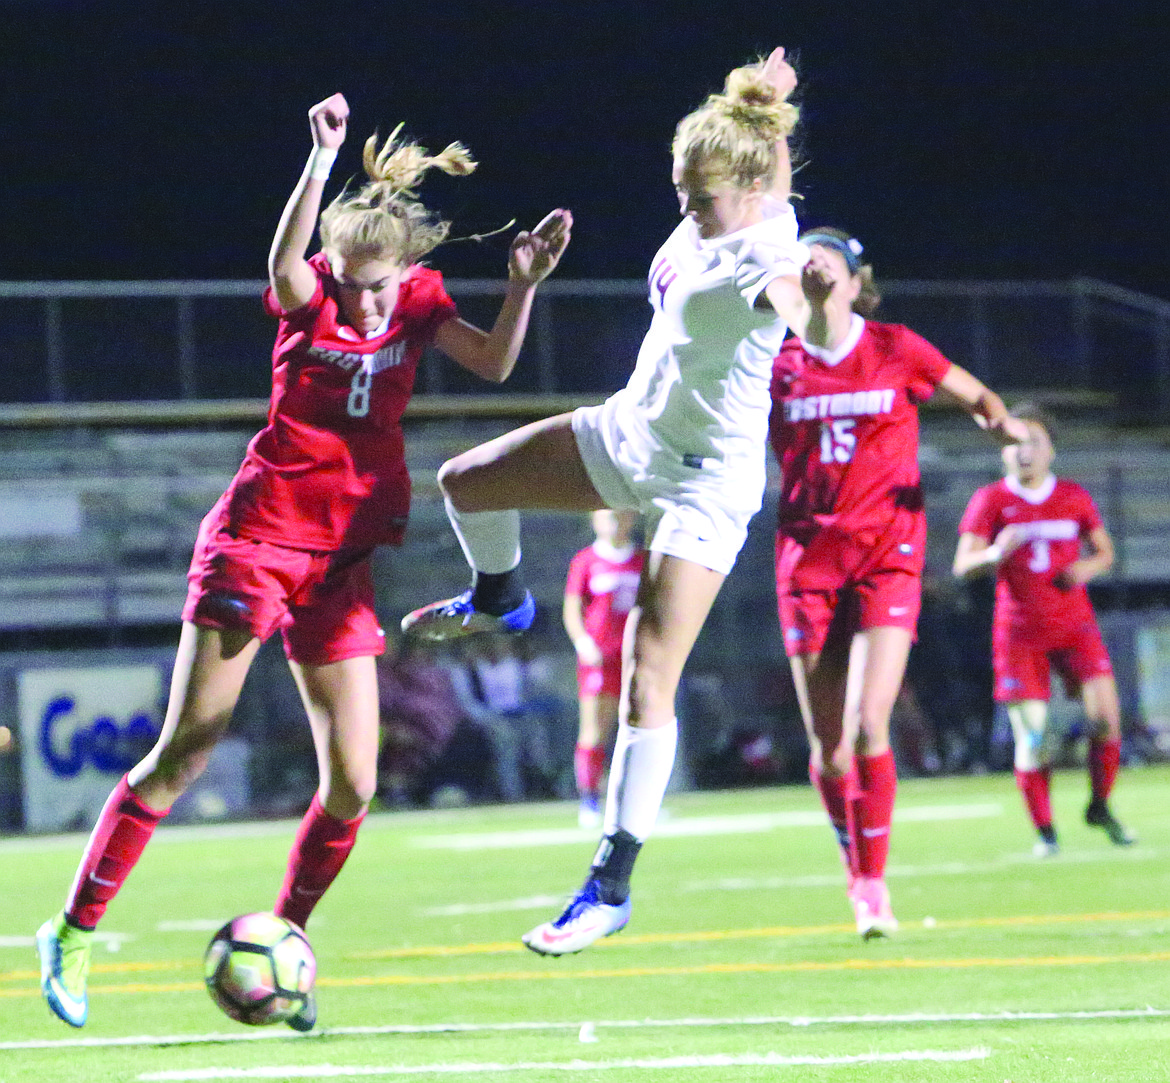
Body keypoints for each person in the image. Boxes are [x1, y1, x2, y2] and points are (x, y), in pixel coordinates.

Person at [34, 91, 571, 1030]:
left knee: (356, 781)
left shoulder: (420, 301)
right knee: (187, 749)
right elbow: (286, 262)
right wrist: (318, 159)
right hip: (258, 537)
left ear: (406, 269)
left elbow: (490, 365)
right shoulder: (311, 290)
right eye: (352, 278)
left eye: (379, 281)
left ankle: (286, 940)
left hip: (341, 561)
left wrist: (522, 283)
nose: (364, 296)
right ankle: (73, 930)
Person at [402, 48, 811, 955]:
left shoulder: (763, 254)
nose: (685, 208)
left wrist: (820, 309)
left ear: (742, 191)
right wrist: (775, 99)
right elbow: (770, 164)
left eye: (697, 197)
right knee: (466, 480)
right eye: (677, 192)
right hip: (630, 435)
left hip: (706, 481)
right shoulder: (748, 197)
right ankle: (501, 597)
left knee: (647, 671)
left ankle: (609, 883)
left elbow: (796, 298)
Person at [768, 226, 1029, 939]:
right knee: (828, 747)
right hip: (807, 561)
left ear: (856, 283)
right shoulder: (772, 359)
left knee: (868, 722)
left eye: (832, 258)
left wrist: (1001, 425)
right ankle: (855, 862)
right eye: (804, 255)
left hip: (889, 552)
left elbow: (978, 395)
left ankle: (872, 887)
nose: (815, 262)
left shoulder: (895, 347)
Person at [952, 403, 1134, 856]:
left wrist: (1086, 568)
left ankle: (1100, 805)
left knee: (1105, 720)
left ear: (1051, 450)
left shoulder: (1073, 496)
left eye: (1033, 441)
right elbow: (961, 564)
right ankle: (1046, 833)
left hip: (1075, 627)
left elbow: (1104, 550)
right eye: (1014, 444)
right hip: (1019, 633)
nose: (1023, 452)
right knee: (1033, 739)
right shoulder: (991, 501)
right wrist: (993, 555)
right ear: (1003, 455)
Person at [562, 510, 644, 827]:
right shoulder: (585, 561)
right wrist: (583, 642)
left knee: (637, 727)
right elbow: (573, 610)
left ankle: (633, 802)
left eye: (621, 516)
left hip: (635, 658)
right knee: (595, 730)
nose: (616, 522)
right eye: (608, 515)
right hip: (600, 658)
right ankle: (589, 800)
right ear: (594, 520)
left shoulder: (641, 560)